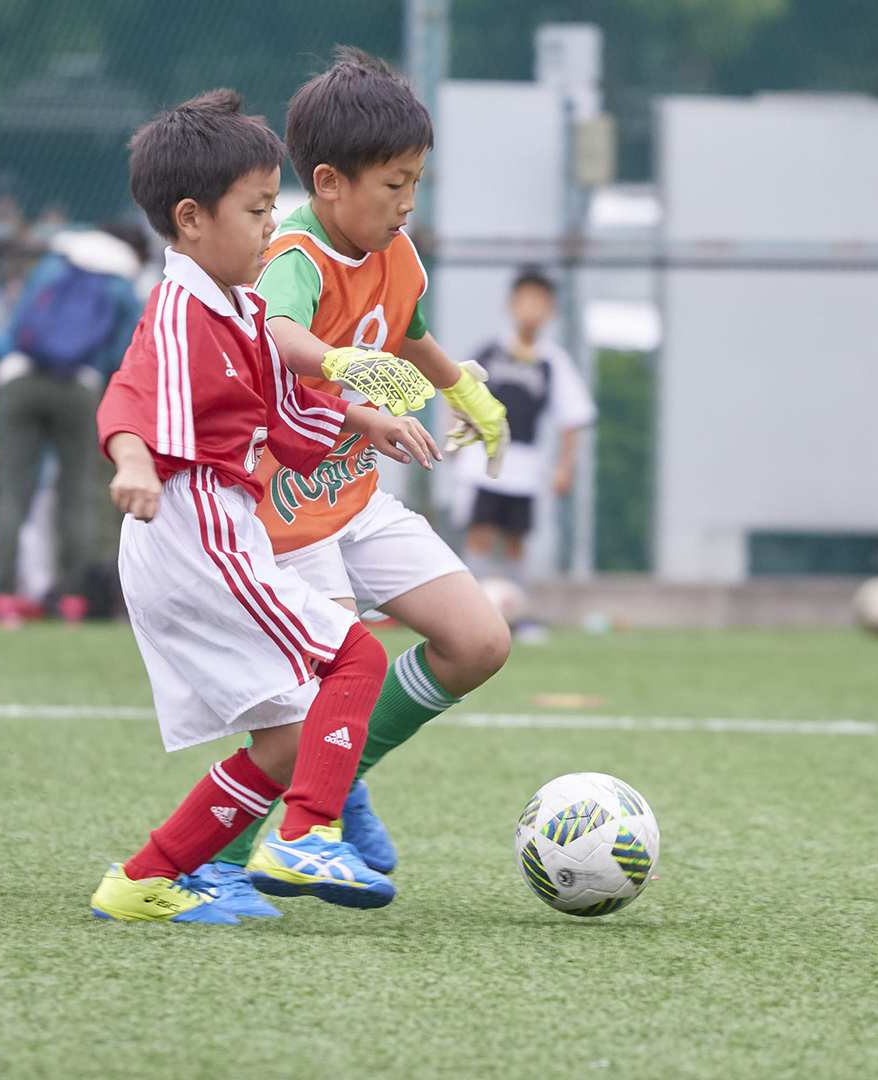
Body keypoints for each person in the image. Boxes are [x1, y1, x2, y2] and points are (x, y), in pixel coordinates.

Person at [90, 90, 440, 923]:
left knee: (287, 741)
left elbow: (284, 416)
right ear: (191, 219)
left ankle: (142, 881)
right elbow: (127, 398)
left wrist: (362, 416)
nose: (270, 226)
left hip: (214, 534)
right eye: (256, 211)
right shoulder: (180, 310)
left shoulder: (237, 305)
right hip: (196, 535)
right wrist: (132, 462)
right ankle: (308, 832)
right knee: (354, 661)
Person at [186, 47, 515, 908]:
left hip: (355, 502)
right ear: (328, 182)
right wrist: (352, 376)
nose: (408, 204)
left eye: (417, 183)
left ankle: (341, 775)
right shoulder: (294, 253)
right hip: (283, 516)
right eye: (393, 185)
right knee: (327, 692)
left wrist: (463, 386)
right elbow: (280, 338)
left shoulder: (395, 251)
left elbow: (406, 331)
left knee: (479, 642)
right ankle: (233, 854)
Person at [0, 223, 144, 628]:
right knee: (75, 493)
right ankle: (72, 597)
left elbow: (21, 328)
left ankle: (4, 595)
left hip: (20, 380)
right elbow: (124, 354)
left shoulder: (55, 262)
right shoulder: (123, 283)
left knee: (13, 490)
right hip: (79, 388)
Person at [456, 267, 597, 587]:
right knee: (480, 531)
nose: (532, 311)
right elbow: (459, 395)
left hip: (524, 467)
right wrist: (455, 439)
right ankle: (470, 603)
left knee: (516, 540)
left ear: (552, 311)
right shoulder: (489, 353)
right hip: (483, 460)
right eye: (526, 302)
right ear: (511, 305)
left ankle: (517, 612)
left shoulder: (552, 362)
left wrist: (565, 468)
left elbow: (573, 416)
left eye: (540, 304)